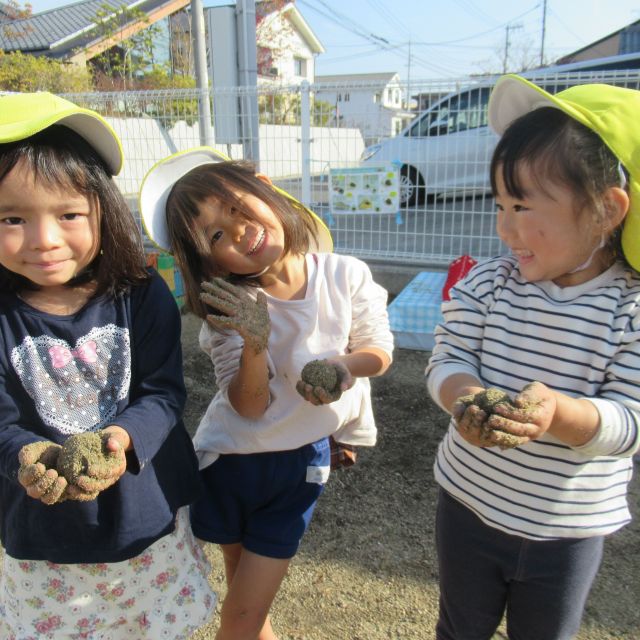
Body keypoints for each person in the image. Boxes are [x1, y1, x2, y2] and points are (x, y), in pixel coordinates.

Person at [138, 146, 394, 640]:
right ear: (206, 258)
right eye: (215, 234)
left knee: (242, 613)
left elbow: (377, 349)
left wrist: (343, 367)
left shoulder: (345, 274)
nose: (237, 230)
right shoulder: (231, 310)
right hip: (231, 461)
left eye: (235, 208)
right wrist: (254, 338)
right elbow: (249, 406)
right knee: (243, 597)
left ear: (265, 187)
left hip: (298, 466)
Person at [426, 74, 640, 640]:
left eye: (522, 205)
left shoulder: (630, 309)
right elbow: (446, 358)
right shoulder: (490, 283)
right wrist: (465, 396)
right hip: (468, 504)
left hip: (566, 529)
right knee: (459, 628)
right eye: (500, 204)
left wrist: (559, 415)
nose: (505, 226)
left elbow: (632, 419)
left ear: (606, 210)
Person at [0, 92, 216, 639]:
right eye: (11, 218)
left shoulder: (142, 296)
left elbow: (163, 393)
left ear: (103, 209)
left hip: (145, 513)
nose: (43, 240)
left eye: (68, 214)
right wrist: (27, 454)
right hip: (42, 533)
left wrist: (121, 438)